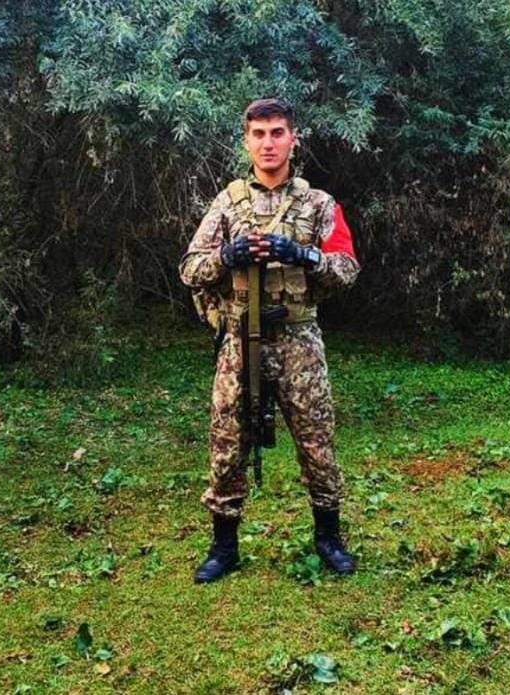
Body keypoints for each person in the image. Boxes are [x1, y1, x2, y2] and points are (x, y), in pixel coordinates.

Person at [179, 97, 361, 584]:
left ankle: (328, 539)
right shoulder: (227, 203)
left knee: (317, 443)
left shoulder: (319, 204)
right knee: (226, 445)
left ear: (293, 140)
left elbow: (347, 268)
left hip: (299, 343)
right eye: (258, 134)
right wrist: (227, 256)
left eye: (277, 133)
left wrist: (301, 254)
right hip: (240, 344)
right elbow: (190, 269)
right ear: (246, 142)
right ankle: (224, 547)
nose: (268, 143)